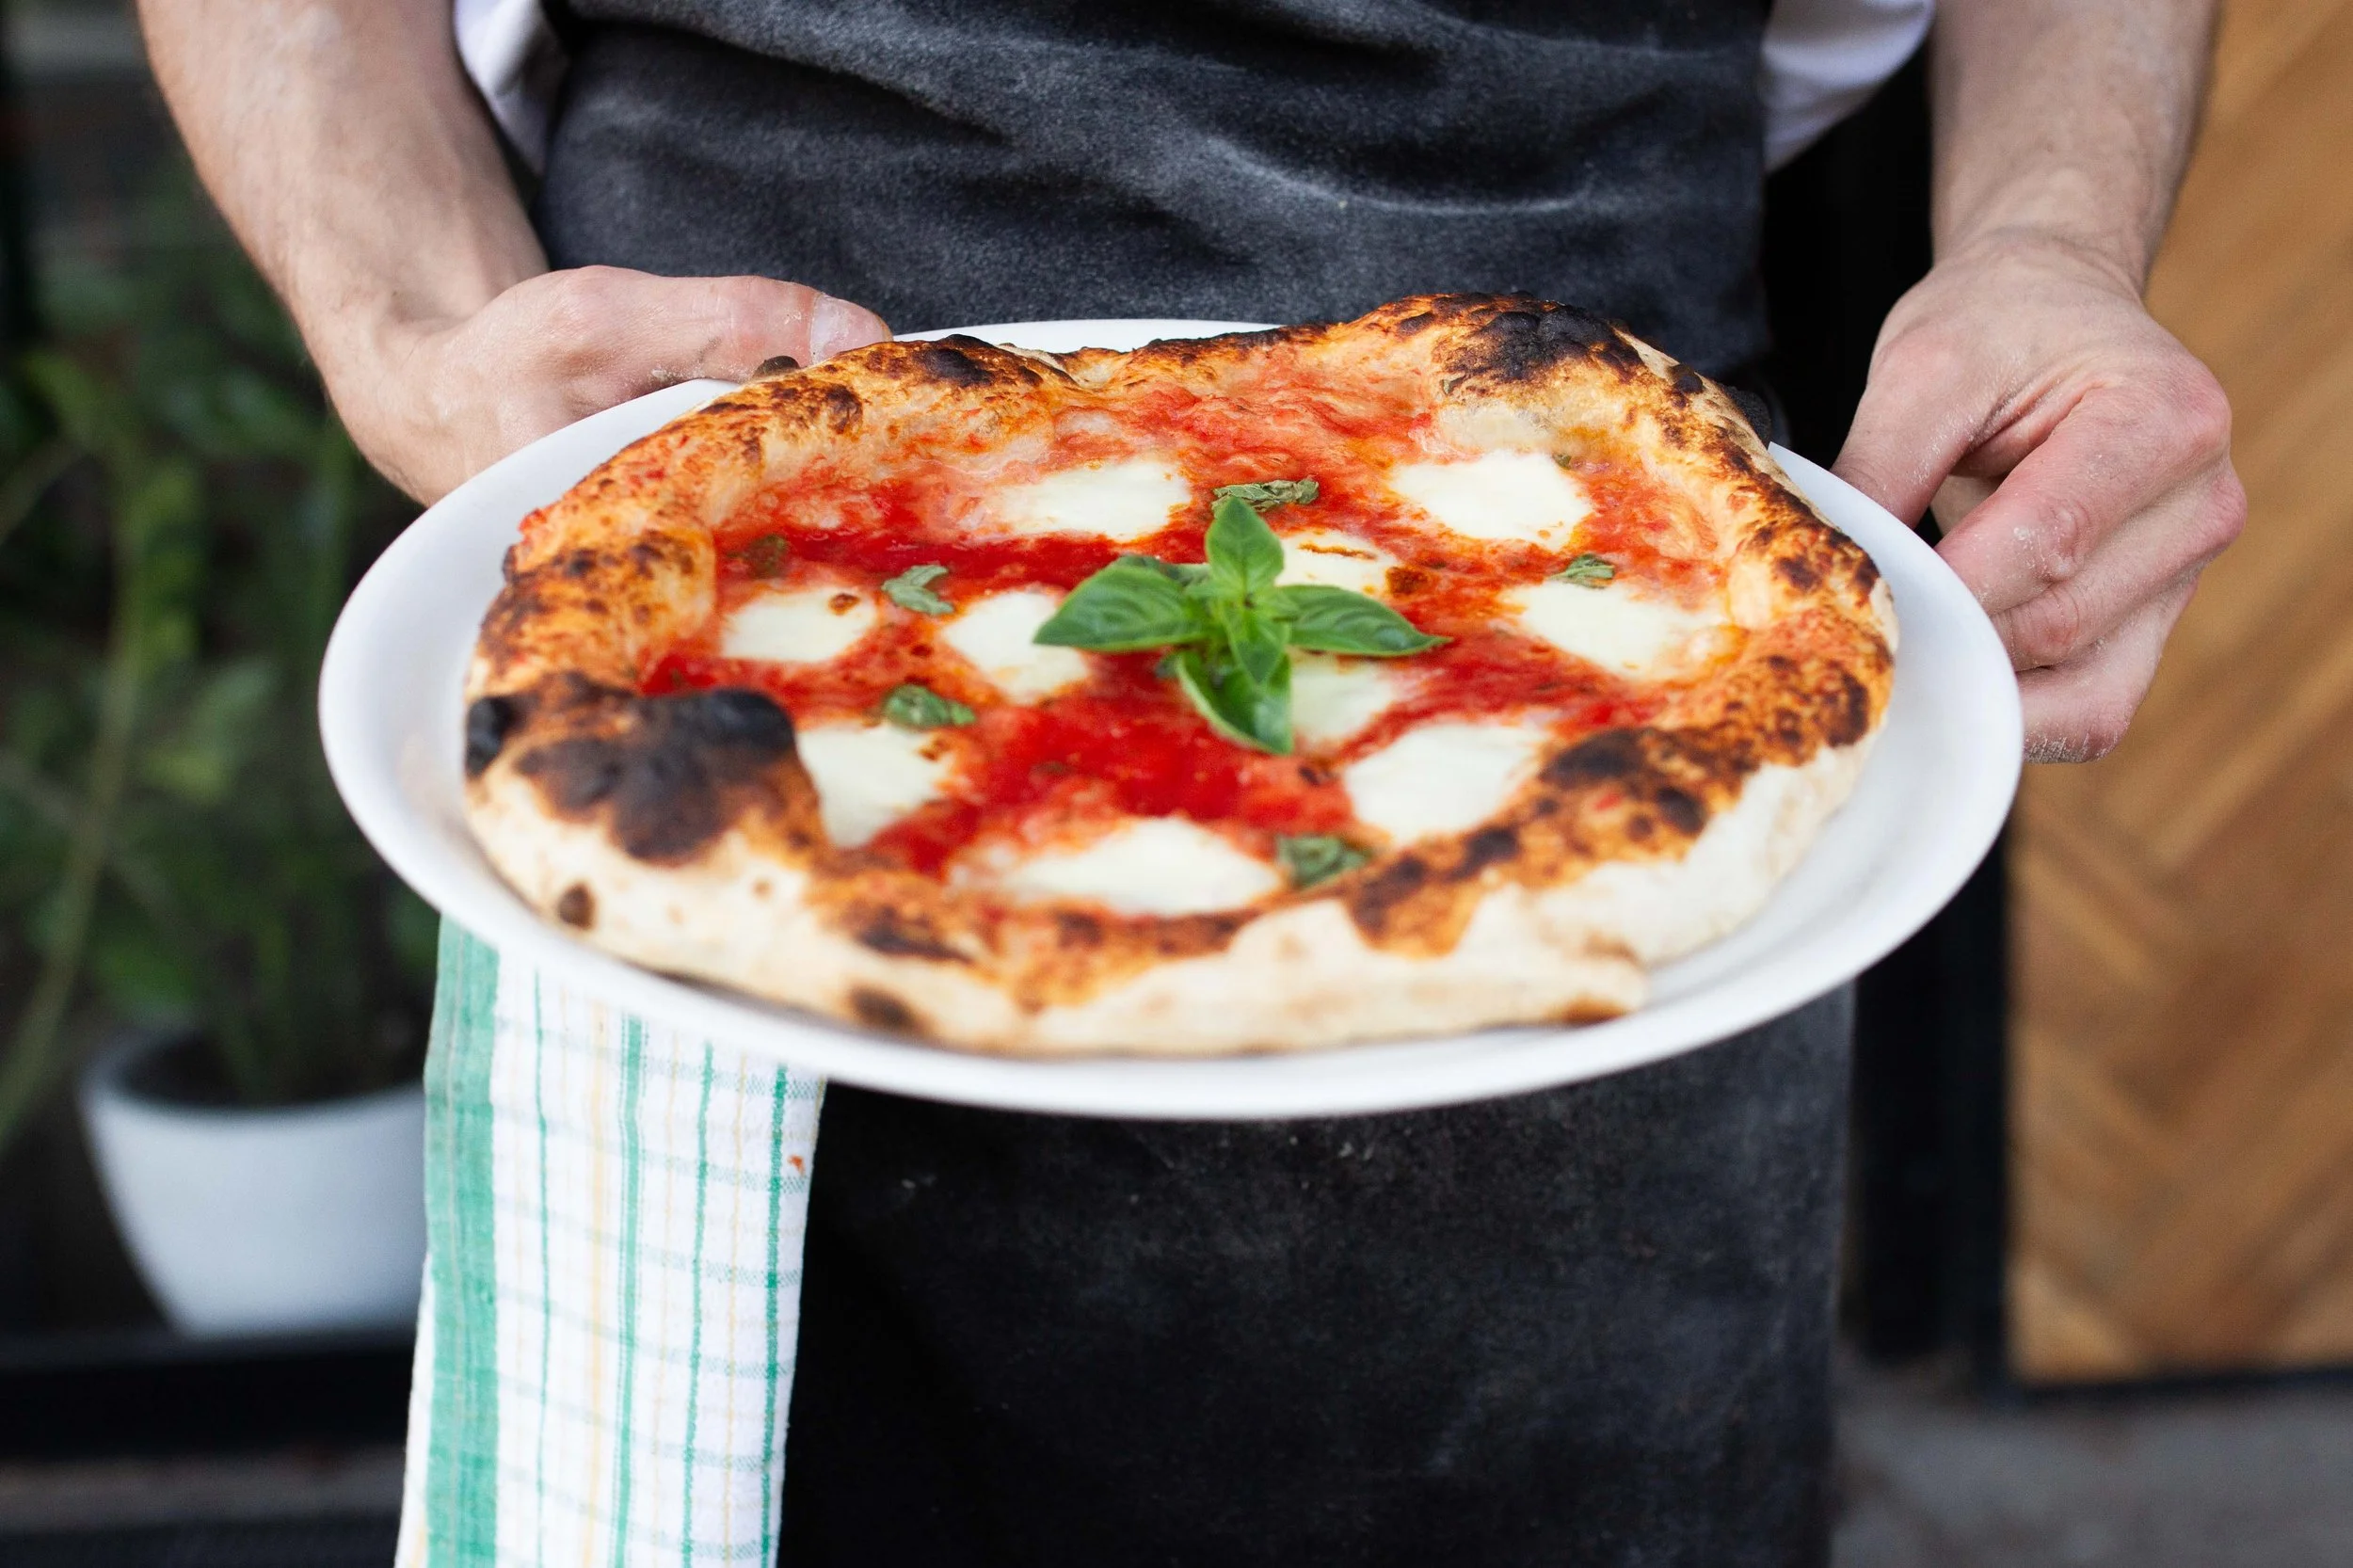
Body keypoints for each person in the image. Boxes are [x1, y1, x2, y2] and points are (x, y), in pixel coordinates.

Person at [138, 1, 2245, 1563]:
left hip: (1599, 572)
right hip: (710, 497)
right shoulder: (660, 607)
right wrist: (412, 312)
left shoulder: (1709, 627)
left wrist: (2050, 235)